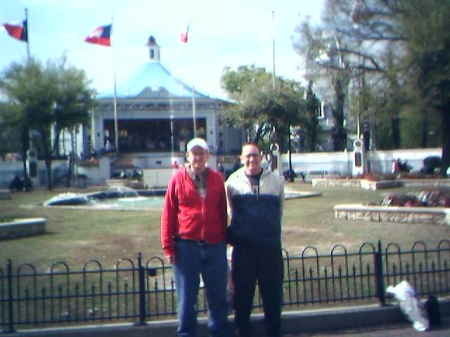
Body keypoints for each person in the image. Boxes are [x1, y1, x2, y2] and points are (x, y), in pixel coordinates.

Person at [161, 138, 230, 337]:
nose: (198, 157)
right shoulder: (177, 179)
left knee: (218, 295)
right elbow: (168, 213)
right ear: (188, 156)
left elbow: (221, 211)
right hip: (186, 246)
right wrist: (168, 246)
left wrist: (222, 238)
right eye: (194, 153)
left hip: (214, 245)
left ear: (208, 156)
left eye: (202, 153)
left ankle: (219, 332)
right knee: (187, 298)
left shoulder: (217, 178)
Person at [226, 142, 285, 337]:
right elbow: (230, 212)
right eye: (247, 156)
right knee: (243, 296)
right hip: (244, 249)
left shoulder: (276, 181)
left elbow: (280, 211)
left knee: (272, 295)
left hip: (270, 247)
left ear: (261, 156)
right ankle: (242, 332)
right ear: (241, 159)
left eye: (255, 155)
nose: (252, 159)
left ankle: (274, 332)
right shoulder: (232, 182)